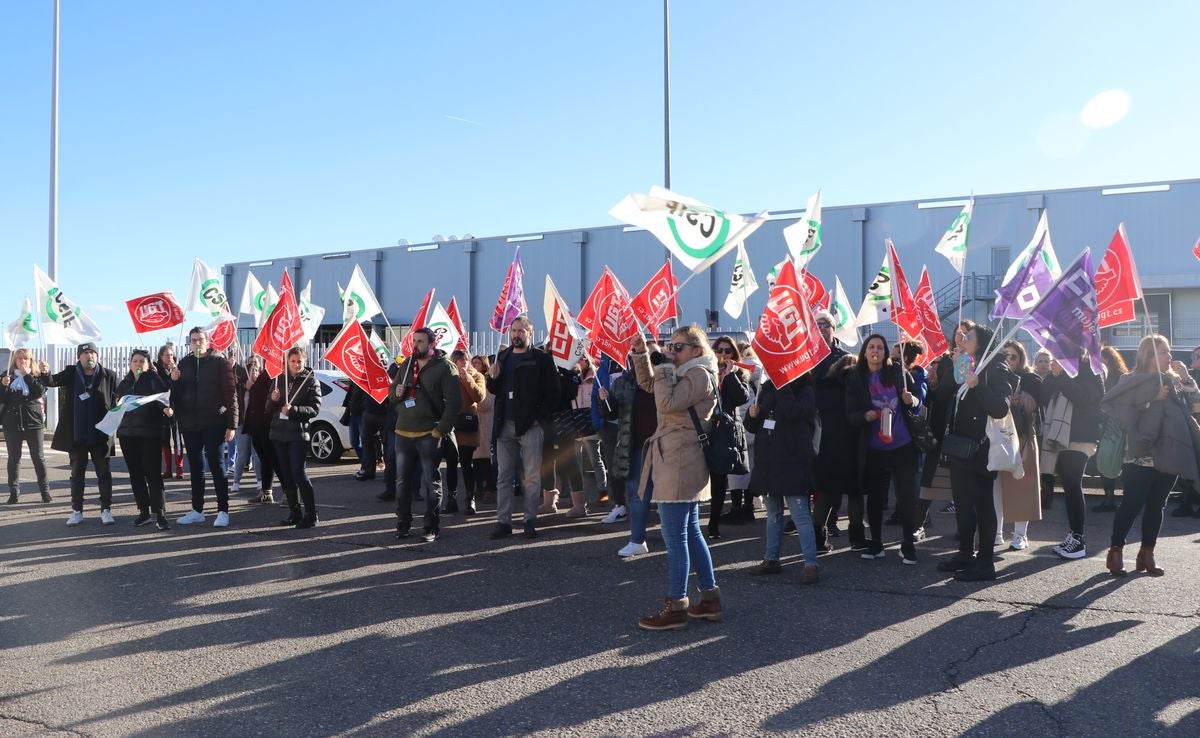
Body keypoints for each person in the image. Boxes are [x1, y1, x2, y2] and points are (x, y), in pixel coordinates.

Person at [630, 326, 722, 631]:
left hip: (682, 458)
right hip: (675, 457)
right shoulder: (685, 372)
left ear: (697, 350)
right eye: (670, 345)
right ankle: (709, 598)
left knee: (675, 537)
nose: (671, 351)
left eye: (678, 347)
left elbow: (666, 404)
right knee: (691, 532)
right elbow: (649, 386)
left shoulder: (699, 375)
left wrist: (665, 366)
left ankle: (676, 605)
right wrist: (642, 355)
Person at [1101, 335, 1200, 577]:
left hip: (1169, 451)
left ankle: (1147, 553)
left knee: (1157, 505)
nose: (1170, 356)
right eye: (1163, 352)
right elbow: (1120, 412)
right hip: (1139, 453)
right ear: (1149, 355)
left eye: (1168, 351)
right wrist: (1151, 399)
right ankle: (1116, 551)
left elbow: (1196, 407)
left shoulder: (1175, 380)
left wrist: (1187, 379)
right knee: (1132, 503)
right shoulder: (1130, 379)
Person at [936, 325, 1016, 581]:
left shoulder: (995, 368)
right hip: (959, 446)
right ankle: (965, 553)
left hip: (980, 449)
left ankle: (985, 562)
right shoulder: (964, 362)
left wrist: (977, 385)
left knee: (982, 504)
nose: (963, 339)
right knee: (962, 503)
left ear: (981, 343)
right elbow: (943, 393)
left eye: (968, 338)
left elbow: (1000, 408)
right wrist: (954, 364)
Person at [845, 334, 923, 564]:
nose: (875, 350)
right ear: (865, 351)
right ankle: (876, 542)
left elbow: (918, 400)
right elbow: (849, 414)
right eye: (871, 347)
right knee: (876, 498)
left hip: (903, 445)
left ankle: (908, 544)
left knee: (907, 497)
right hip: (874, 447)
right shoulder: (856, 377)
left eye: (880, 347)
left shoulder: (898, 372)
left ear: (886, 351)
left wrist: (911, 401)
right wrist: (864, 415)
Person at [485, 315, 560, 540]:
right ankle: (503, 522)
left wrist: (538, 417)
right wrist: (493, 379)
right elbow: (496, 390)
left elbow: (554, 393)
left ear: (530, 332)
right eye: (514, 330)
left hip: (530, 427)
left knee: (531, 477)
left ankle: (529, 520)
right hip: (504, 426)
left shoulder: (541, 359)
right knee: (504, 476)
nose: (516, 334)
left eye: (521, 330)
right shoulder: (502, 357)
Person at [744, 374, 820, 582]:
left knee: (800, 515)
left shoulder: (805, 389)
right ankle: (771, 559)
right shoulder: (766, 388)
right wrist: (752, 415)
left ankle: (810, 564)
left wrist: (783, 386)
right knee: (773, 514)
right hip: (768, 462)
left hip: (793, 461)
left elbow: (794, 412)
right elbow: (750, 426)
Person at [391, 327, 461, 542]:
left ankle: (431, 526)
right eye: (414, 341)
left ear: (432, 344)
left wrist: (440, 430)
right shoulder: (406, 364)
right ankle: (403, 523)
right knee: (403, 482)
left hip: (429, 434)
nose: (415, 345)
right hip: (403, 432)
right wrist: (397, 393)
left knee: (431, 482)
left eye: (420, 341)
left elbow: (454, 404)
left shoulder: (445, 368)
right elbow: (391, 395)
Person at [42, 343, 120, 526]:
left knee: (104, 474)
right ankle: (77, 511)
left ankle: (106, 510)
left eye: (92, 352)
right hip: (77, 433)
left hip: (100, 433)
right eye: (85, 353)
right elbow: (51, 382)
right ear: (79, 357)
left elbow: (121, 395)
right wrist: (45, 373)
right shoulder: (71, 373)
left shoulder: (109, 375)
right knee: (77, 474)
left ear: (97, 356)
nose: (89, 356)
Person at [169, 326, 238, 528]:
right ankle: (197, 510)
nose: (197, 343)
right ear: (189, 343)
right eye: (193, 340)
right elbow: (176, 395)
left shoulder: (219, 362)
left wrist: (231, 425)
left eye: (200, 339)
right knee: (196, 468)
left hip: (214, 422)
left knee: (217, 466)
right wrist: (174, 381)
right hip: (190, 424)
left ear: (207, 341)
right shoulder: (184, 363)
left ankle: (223, 511)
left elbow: (231, 395)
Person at [1042, 351, 1105, 560]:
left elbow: (1085, 397)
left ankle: (1078, 539)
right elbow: (1045, 396)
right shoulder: (1062, 365)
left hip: (1080, 436)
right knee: (1068, 486)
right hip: (1062, 436)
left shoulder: (1092, 368)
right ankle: (1073, 535)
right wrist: (1054, 374)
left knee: (1073, 483)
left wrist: (1062, 375)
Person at [600, 350, 658, 558]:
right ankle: (637, 540)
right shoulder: (624, 382)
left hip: (665, 446)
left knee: (671, 496)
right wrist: (605, 401)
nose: (639, 362)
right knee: (637, 495)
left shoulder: (666, 378)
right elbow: (612, 413)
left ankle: (678, 539)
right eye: (635, 358)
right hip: (636, 448)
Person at [809, 312, 859, 551]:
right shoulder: (806, 357)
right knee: (825, 486)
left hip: (845, 428)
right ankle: (817, 535)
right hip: (817, 428)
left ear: (834, 328)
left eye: (825, 324)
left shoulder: (846, 358)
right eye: (817, 324)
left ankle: (856, 538)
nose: (821, 328)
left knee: (853, 486)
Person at [114, 349, 173, 530]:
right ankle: (144, 511)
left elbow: (163, 399)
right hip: (127, 435)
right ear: (130, 364)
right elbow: (117, 404)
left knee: (153, 474)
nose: (138, 364)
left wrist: (166, 409)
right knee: (136, 475)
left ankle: (160, 513)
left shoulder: (153, 379)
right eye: (135, 361)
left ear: (148, 364)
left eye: (142, 361)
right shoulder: (124, 383)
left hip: (149, 434)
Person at [995, 340, 1043, 551]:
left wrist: (1022, 398)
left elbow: (1038, 403)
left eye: (1013, 356)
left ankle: (1020, 535)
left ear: (1021, 358)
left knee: (1022, 485)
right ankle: (996, 532)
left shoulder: (1030, 378)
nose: (1009, 360)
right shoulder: (995, 377)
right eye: (1005, 356)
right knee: (996, 486)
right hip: (999, 437)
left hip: (1023, 437)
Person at [268, 347, 322, 528]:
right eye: (293, 361)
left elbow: (314, 409)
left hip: (298, 434)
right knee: (286, 475)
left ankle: (311, 514)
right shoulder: (278, 379)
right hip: (278, 433)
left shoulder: (311, 381)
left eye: (299, 361)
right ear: (287, 362)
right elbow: (268, 408)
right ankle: (294, 511)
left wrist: (294, 410)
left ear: (304, 362)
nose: (297, 364)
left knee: (299, 474)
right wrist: (273, 399)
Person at [704, 335, 750, 540]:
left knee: (719, 479)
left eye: (727, 351)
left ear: (734, 354)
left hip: (723, 432)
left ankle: (713, 523)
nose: (723, 354)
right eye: (719, 350)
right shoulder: (705, 371)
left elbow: (742, 398)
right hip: (704, 429)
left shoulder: (738, 374)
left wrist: (730, 375)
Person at [2, 348, 51, 503]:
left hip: (33, 422)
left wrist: (26, 375)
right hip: (12, 423)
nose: (23, 361)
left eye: (26, 359)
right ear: (15, 361)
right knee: (14, 458)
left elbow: (40, 391)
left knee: (38, 457)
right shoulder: (7, 376)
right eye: (20, 359)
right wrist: (3, 385)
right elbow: (2, 398)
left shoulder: (36, 375)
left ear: (31, 361)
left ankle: (45, 491)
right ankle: (14, 492)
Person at [448, 349, 487, 515]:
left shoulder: (477, 375)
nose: (464, 362)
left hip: (466, 425)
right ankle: (451, 499)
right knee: (450, 464)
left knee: (466, 463)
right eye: (460, 360)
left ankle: (470, 499)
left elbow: (479, 397)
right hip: (450, 425)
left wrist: (467, 379)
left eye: (466, 359)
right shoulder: (448, 376)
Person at [1095, 345, 1130, 512]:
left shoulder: (1114, 377)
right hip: (1116, 425)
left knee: (1109, 459)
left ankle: (1110, 500)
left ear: (1106, 359)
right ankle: (1115, 499)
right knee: (1113, 460)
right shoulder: (1122, 376)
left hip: (1113, 425)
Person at [241, 355, 278, 504]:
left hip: (266, 424)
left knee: (273, 459)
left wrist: (253, 386)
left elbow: (265, 396)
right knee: (264, 459)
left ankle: (289, 493)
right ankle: (266, 492)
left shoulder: (274, 375)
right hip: (255, 425)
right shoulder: (264, 373)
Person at [228, 355, 260, 494]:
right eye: (251, 369)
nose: (254, 372)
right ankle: (236, 482)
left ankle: (260, 481)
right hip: (242, 424)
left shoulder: (262, 386)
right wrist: (243, 385)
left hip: (256, 426)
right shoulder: (241, 385)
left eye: (256, 369)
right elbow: (233, 382)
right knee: (241, 454)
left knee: (256, 454)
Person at [155, 344, 185, 479]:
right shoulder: (156, 371)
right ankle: (168, 469)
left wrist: (176, 375)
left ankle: (179, 468)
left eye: (171, 355)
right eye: (166, 355)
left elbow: (181, 388)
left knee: (178, 439)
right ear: (161, 357)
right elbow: (160, 389)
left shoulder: (177, 370)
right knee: (164, 440)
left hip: (176, 409)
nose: (169, 357)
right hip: (163, 409)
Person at [470, 355, 496, 507]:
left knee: (485, 459)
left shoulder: (487, 381)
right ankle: (478, 489)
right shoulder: (470, 379)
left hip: (485, 423)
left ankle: (489, 489)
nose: (474, 365)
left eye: (477, 363)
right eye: (472, 362)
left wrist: (474, 390)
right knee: (475, 460)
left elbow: (486, 404)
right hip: (473, 423)